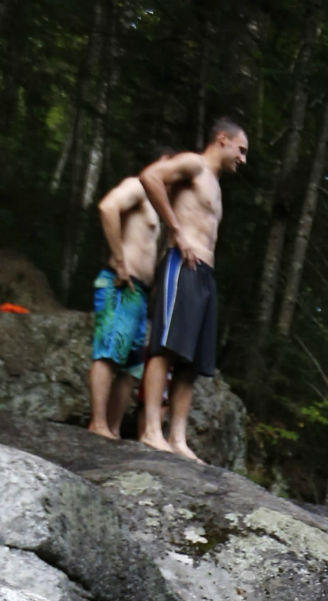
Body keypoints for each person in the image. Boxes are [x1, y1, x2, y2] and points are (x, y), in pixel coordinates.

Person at [138, 118, 250, 460]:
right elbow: (150, 177)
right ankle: (151, 430)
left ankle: (177, 438)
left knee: (191, 360)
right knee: (166, 348)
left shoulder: (214, 183)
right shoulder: (194, 164)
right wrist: (177, 230)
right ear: (222, 139)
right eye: (241, 150)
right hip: (182, 264)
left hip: (205, 274)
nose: (243, 159)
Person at [88, 165, 164, 440]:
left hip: (139, 293)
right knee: (108, 353)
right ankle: (98, 424)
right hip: (120, 283)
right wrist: (120, 263)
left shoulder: (159, 205)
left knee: (132, 367)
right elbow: (108, 207)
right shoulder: (138, 186)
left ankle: (112, 429)